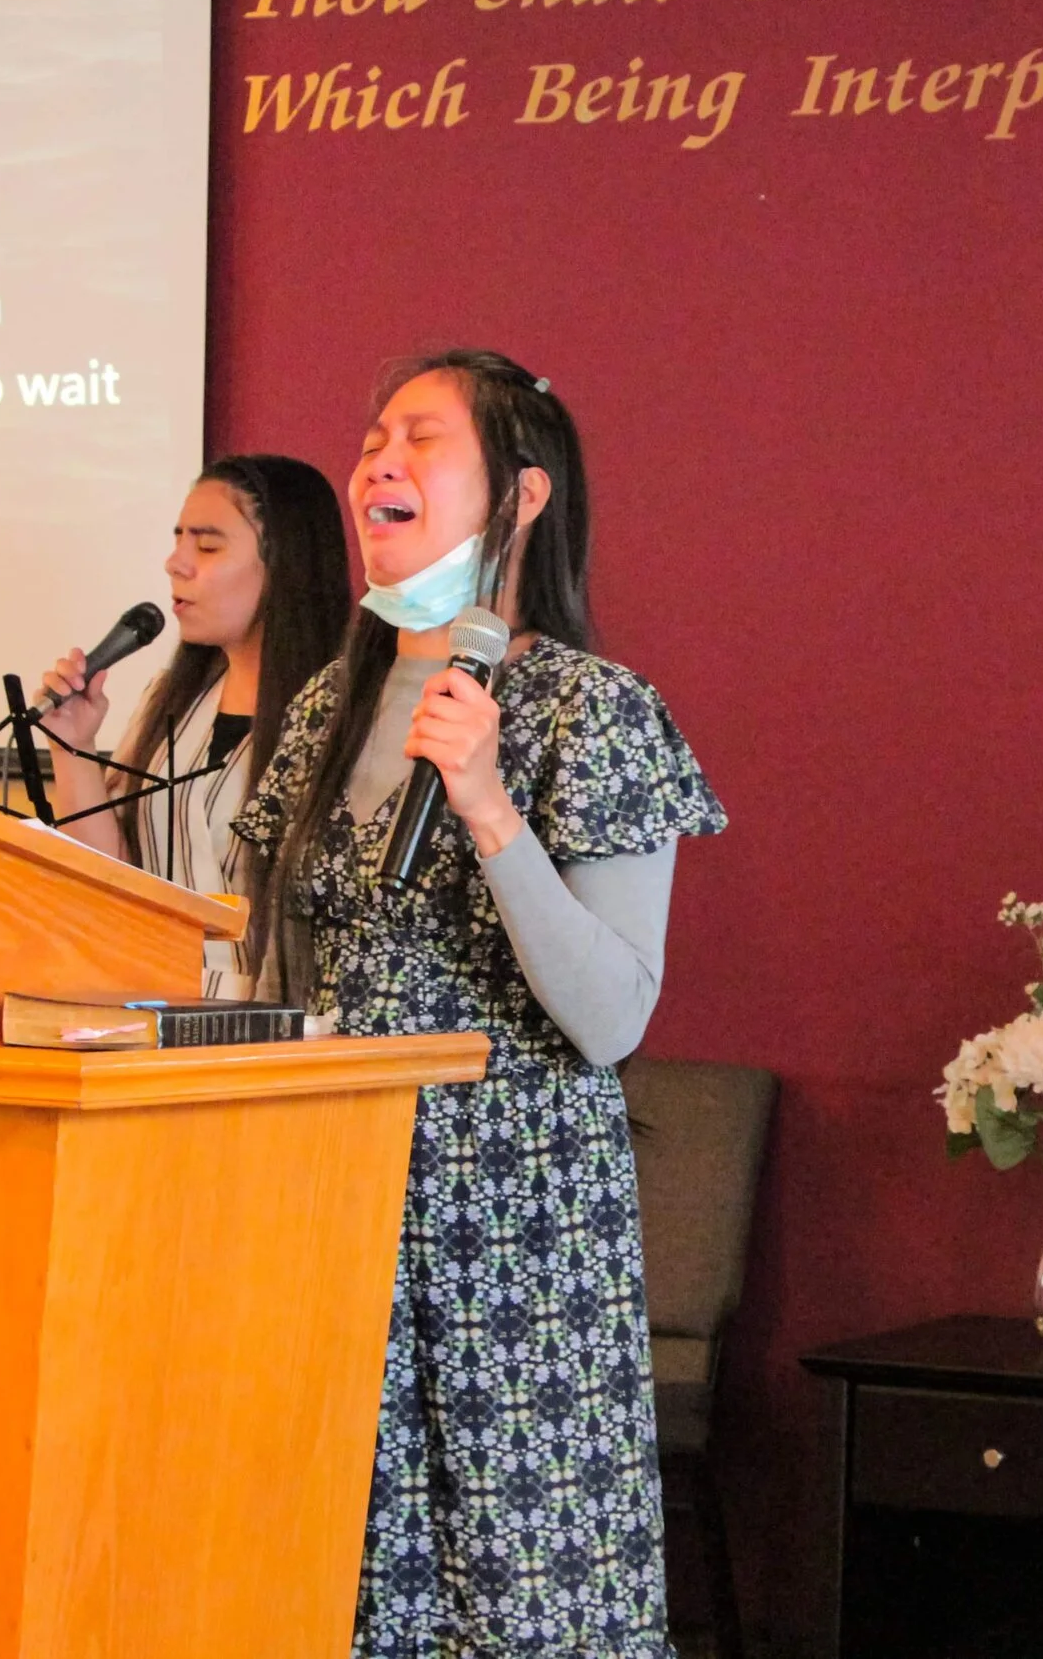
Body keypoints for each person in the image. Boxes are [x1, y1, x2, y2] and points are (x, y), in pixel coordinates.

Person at [230, 350, 725, 1657]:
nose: (377, 460)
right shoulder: (330, 706)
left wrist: (490, 807)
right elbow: (262, 956)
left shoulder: (595, 712)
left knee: (527, 1605)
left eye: (422, 439)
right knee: (343, 1586)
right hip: (338, 1202)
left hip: (518, 1227)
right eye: (370, 435)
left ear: (522, 496)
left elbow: (612, 1016)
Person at [37, 454, 351, 996]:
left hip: (286, 1025)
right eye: (179, 539)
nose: (176, 563)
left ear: (287, 564)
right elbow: (115, 882)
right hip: (154, 1008)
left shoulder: (341, 708)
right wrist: (73, 747)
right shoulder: (176, 700)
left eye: (207, 546)